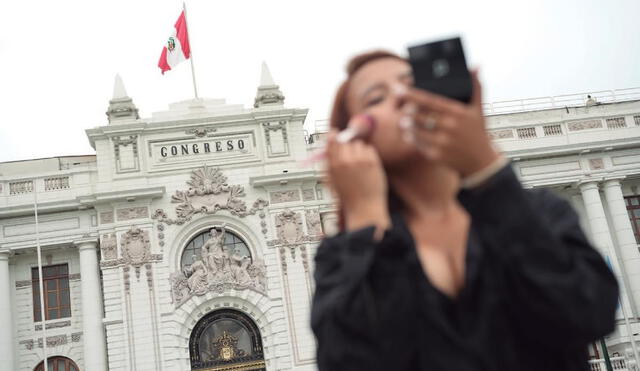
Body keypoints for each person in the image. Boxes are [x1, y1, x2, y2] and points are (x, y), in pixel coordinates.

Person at [310, 50, 619, 371]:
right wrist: (366, 219)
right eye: (376, 98)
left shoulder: (541, 211)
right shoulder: (341, 256)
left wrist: (487, 168)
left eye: (412, 84)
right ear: (355, 138)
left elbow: (590, 313)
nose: (402, 96)